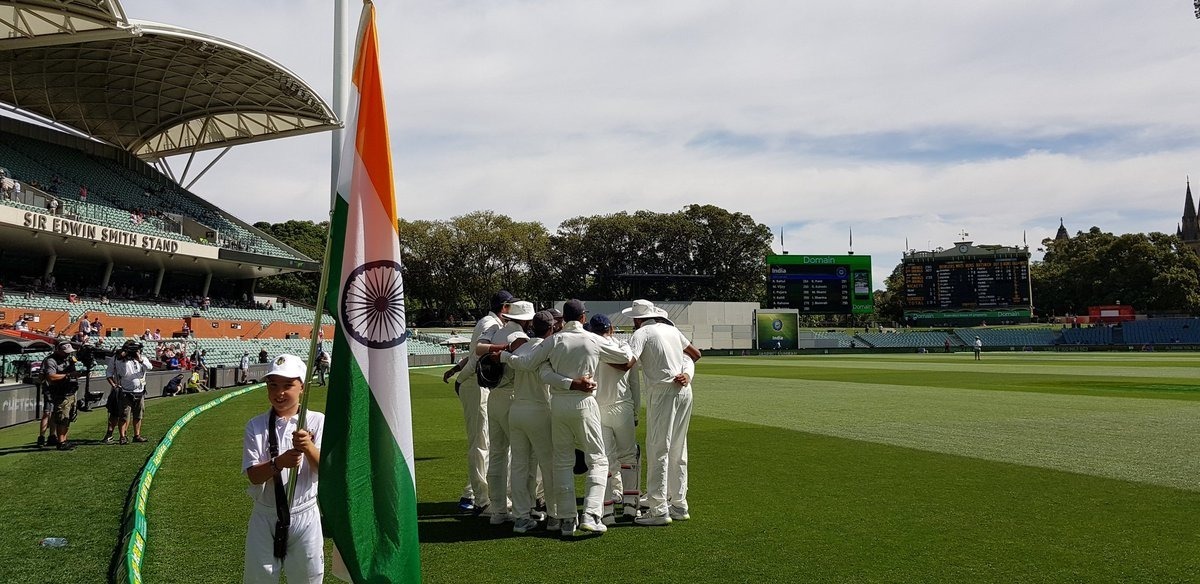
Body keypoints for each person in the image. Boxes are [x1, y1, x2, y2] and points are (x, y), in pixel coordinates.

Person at [501, 299, 633, 537]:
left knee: (562, 461)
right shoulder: (593, 339)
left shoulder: (554, 340)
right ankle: (592, 515)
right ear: (583, 317)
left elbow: (532, 365)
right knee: (598, 460)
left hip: (558, 405)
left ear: (564, 317)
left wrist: (504, 357)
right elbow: (624, 356)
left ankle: (566, 519)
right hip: (583, 404)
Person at [242, 354, 324, 583]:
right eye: (273, 385)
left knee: (308, 578)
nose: (279, 393)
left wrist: (308, 447)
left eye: (288, 385)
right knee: (260, 578)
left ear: (302, 388)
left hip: (304, 513)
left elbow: (325, 470)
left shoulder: (317, 421)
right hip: (266, 514)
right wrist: (279, 462)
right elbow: (254, 477)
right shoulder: (256, 425)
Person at [623, 299, 701, 526]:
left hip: (662, 392)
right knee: (678, 447)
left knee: (659, 448)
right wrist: (686, 372)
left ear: (637, 319)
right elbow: (695, 354)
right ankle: (678, 504)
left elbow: (628, 362)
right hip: (684, 391)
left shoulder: (641, 333)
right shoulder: (671, 330)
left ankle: (658, 510)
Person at [474, 300, 536, 525]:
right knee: (522, 456)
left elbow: (479, 349)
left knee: (498, 454)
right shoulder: (520, 338)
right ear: (527, 320)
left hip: (495, 397)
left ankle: (499, 509)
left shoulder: (497, 333)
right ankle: (524, 509)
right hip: (512, 396)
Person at [453, 290, 513, 514]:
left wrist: (457, 369)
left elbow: (472, 353)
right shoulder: (491, 323)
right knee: (480, 443)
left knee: (486, 441)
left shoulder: (492, 322)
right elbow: (479, 354)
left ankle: (473, 493)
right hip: (475, 384)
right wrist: (461, 378)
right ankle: (479, 498)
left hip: (477, 383)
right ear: (504, 307)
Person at [506, 310, 559, 534]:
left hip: (516, 409)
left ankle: (521, 516)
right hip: (538, 409)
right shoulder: (546, 349)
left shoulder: (522, 347)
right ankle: (555, 515)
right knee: (548, 464)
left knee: (519, 464)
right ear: (551, 328)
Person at [588, 313, 642, 525]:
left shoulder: (590, 347)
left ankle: (607, 511)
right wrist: (636, 412)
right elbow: (635, 384)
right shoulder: (624, 347)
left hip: (599, 408)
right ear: (610, 329)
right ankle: (630, 505)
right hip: (623, 407)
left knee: (606, 460)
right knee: (629, 456)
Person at [41, 341, 86, 450]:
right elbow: (51, 377)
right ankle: (60, 442)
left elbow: (72, 373)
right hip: (60, 393)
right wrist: (68, 375)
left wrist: (77, 373)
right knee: (62, 417)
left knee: (68, 417)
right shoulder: (50, 360)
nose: (67, 354)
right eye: (65, 352)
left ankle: (64, 440)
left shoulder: (68, 359)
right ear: (58, 350)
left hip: (70, 391)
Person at [107, 339, 153, 444]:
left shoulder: (142, 358)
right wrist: (124, 357)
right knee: (124, 415)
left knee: (138, 415)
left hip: (140, 391)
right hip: (125, 391)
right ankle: (122, 436)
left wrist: (139, 359)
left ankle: (137, 435)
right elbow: (123, 372)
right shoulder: (119, 359)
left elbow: (150, 367)